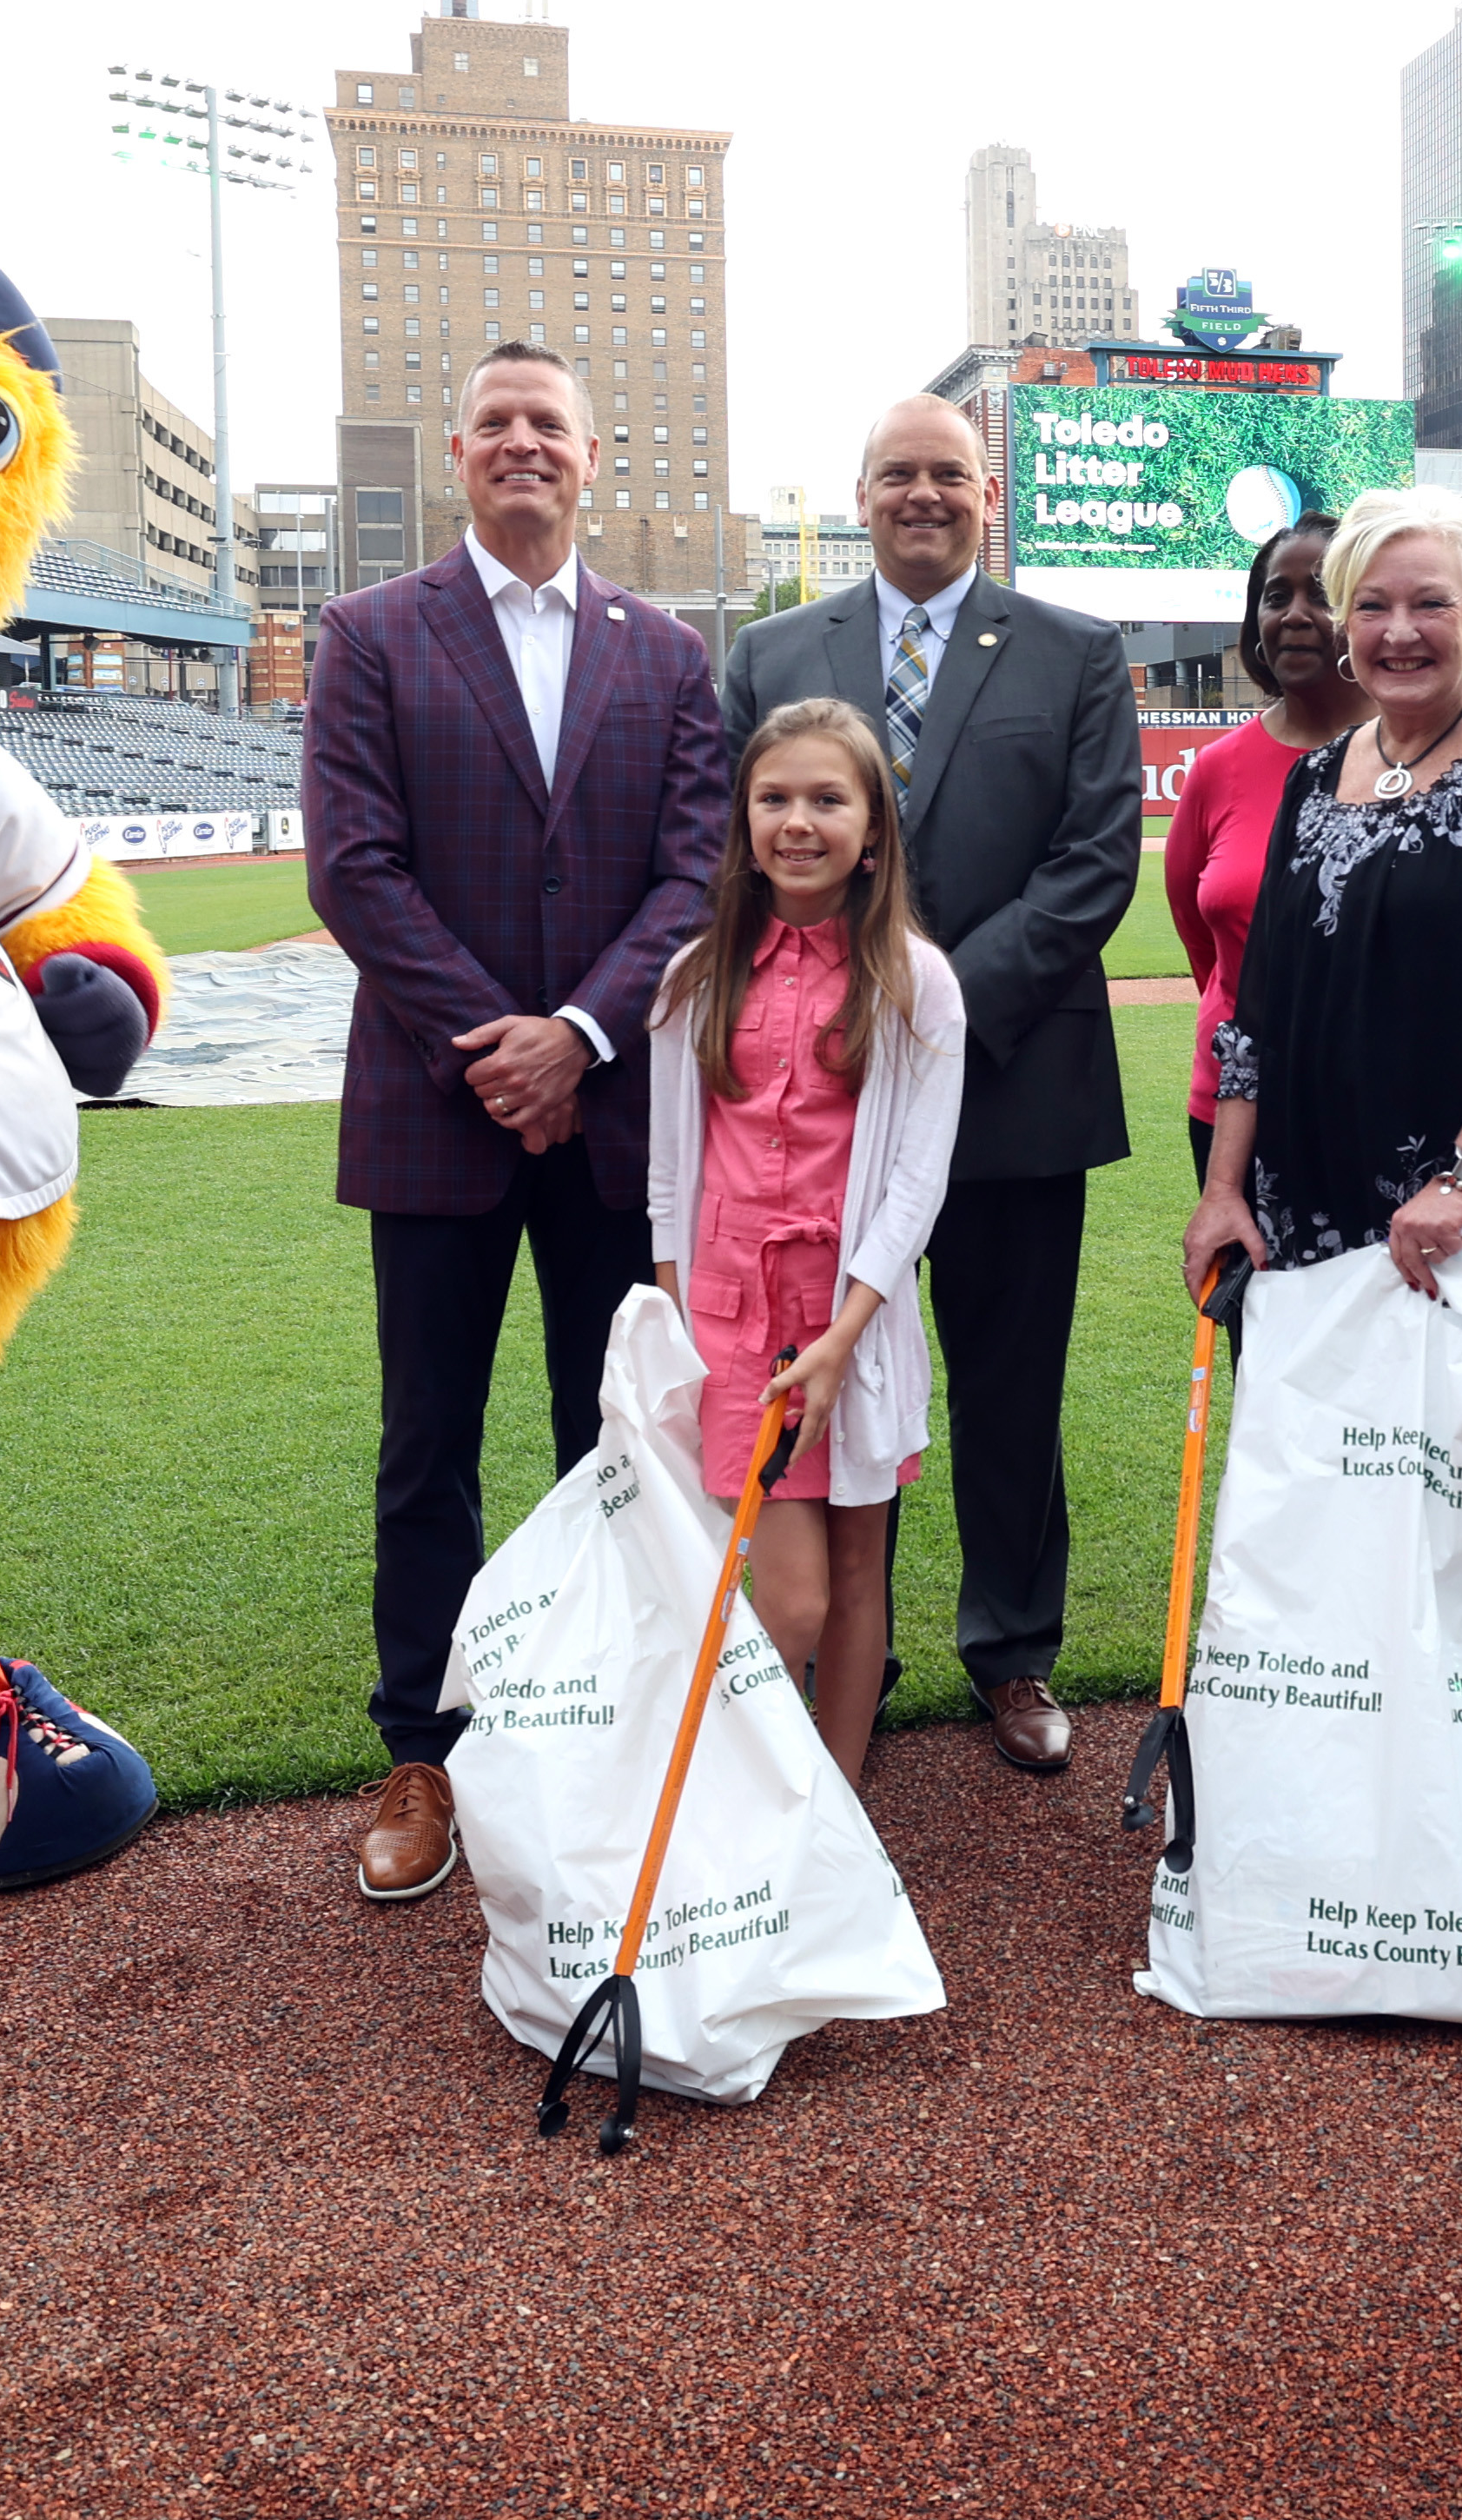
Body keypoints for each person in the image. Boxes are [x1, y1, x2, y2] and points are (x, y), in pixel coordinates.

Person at [306, 342, 730, 1908]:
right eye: (495, 422)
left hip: (610, 1113)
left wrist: (580, 1035)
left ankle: (590, 1735)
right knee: (427, 1443)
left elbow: (696, 872)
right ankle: (422, 1749)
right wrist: (500, 1046)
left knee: (605, 1440)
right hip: (438, 1108)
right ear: (460, 456)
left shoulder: (666, 653)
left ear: (591, 454)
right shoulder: (369, 632)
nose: (521, 442)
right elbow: (353, 867)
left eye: (548, 422)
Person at [721, 395, 1141, 1776]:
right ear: (860, 494)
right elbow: (736, 850)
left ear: (987, 495)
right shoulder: (775, 651)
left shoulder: (1076, 650)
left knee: (1010, 1391)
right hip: (821, 1111)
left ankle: (1012, 1652)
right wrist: (842, 1019)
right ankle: (859, 1646)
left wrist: (924, 1013)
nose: (923, 494)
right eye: (897, 473)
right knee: (835, 1385)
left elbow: (1093, 865)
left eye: (948, 474)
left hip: (1016, 1086)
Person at [1179, 486, 1462, 1305]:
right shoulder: (1315, 779)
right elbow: (1257, 1015)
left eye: (1431, 603)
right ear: (1346, 627)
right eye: (1372, 606)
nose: (1399, 631)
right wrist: (1222, 1192)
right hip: (1308, 1212)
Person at [647, 699, 968, 1786]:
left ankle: (835, 1809)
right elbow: (669, 1176)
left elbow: (917, 1179)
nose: (798, 821)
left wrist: (845, 1334)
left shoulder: (916, 981)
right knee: (790, 1605)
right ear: (743, 824)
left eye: (829, 799)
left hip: (853, 1319)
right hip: (734, 1320)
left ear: (872, 830)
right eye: (773, 798)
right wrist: (676, 1325)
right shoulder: (696, 978)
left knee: (859, 1571)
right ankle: (754, 1801)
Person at [1164, 512, 1363, 1179]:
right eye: (1277, 596)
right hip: (1231, 1110)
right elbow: (1204, 944)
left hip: (1379, 1106)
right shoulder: (1216, 769)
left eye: (1322, 594)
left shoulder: (1422, 756)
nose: (1295, 614)